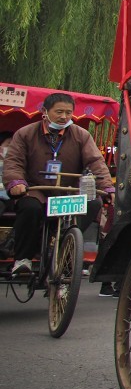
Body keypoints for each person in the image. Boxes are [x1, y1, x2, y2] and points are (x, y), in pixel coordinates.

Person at [3, 94, 113, 275]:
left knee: (94, 203)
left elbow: (96, 162)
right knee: (29, 208)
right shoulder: (25, 133)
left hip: (67, 192)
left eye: (68, 112)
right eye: (59, 112)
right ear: (45, 111)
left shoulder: (81, 135)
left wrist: (107, 187)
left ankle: (67, 248)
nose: (64, 117)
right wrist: (16, 182)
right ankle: (23, 259)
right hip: (36, 191)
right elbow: (14, 162)